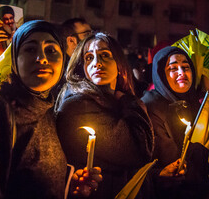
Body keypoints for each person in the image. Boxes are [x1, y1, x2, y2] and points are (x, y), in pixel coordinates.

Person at [0, 20, 101, 199]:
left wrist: (67, 187)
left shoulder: (48, 110)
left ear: (63, 60)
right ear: (15, 58)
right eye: (30, 49)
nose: (42, 58)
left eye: (51, 50)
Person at [55, 32, 154, 198]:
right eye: (88, 58)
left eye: (105, 55)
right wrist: (132, 103)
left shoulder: (113, 100)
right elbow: (140, 150)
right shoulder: (78, 106)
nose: (97, 63)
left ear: (119, 63)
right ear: (82, 68)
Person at [141, 46, 209, 198]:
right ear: (160, 74)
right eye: (173, 68)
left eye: (186, 67)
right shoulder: (151, 107)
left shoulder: (194, 103)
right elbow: (171, 161)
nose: (182, 73)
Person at [52, 17, 92, 98]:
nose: (92, 39)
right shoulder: (59, 72)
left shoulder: (84, 67)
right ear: (71, 41)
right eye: (87, 35)